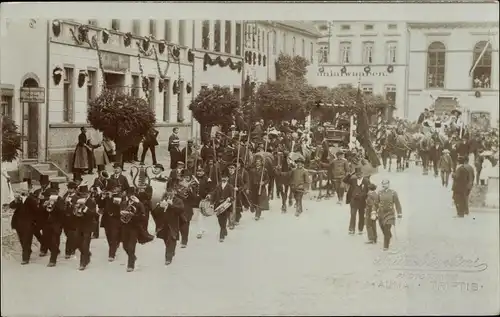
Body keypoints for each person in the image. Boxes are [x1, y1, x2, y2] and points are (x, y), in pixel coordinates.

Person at [9, 183, 38, 264]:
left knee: (26, 241)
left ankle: (25, 258)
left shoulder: (31, 199)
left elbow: (36, 211)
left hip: (28, 224)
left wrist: (34, 222)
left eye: (23, 191)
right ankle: (28, 251)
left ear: (27, 191)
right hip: (18, 224)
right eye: (21, 191)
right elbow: (11, 206)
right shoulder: (19, 200)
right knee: (22, 240)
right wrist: (16, 200)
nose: (22, 193)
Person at [154, 187, 183, 265]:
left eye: (171, 191)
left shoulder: (178, 201)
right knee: (166, 240)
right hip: (163, 225)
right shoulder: (163, 199)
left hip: (173, 225)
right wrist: (160, 206)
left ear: (175, 192)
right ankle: (171, 251)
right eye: (168, 191)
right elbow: (155, 213)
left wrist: (171, 205)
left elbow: (180, 210)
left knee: (171, 239)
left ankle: (168, 258)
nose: (169, 193)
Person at [120, 188, 145, 272]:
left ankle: (130, 265)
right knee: (125, 246)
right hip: (125, 227)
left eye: (132, 195)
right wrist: (122, 213)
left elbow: (143, 215)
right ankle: (133, 257)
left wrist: (139, 203)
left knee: (131, 247)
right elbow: (120, 212)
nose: (130, 197)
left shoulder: (138, 204)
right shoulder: (123, 203)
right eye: (129, 195)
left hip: (134, 227)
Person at [74, 182, 97, 270]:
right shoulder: (78, 200)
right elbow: (75, 212)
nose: (82, 196)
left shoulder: (91, 201)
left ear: (87, 194)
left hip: (88, 225)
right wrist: (75, 209)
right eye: (81, 194)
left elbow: (93, 214)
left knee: (85, 244)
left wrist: (85, 208)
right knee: (77, 243)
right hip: (79, 224)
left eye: (84, 194)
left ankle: (83, 263)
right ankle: (87, 254)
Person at [207, 171, 234, 242]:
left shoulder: (230, 186)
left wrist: (229, 198)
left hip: (226, 206)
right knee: (220, 220)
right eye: (222, 177)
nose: (224, 178)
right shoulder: (218, 185)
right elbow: (214, 194)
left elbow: (233, 196)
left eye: (225, 177)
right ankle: (224, 229)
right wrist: (211, 203)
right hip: (218, 205)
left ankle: (221, 236)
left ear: (228, 178)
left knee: (224, 220)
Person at [376, 179, 402, 251]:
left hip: (390, 213)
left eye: (386, 184)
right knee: (383, 228)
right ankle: (389, 236)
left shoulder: (393, 193)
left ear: (388, 184)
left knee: (387, 229)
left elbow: (397, 204)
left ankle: (385, 246)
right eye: (383, 184)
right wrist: (374, 211)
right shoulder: (379, 193)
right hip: (381, 214)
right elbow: (376, 203)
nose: (384, 185)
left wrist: (399, 213)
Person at [343, 167, 371, 235]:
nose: (359, 176)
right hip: (353, 200)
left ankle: (360, 229)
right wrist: (350, 174)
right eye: (357, 174)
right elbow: (345, 180)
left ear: (362, 174)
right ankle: (351, 229)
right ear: (355, 174)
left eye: (360, 174)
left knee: (361, 216)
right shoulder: (353, 180)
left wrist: (367, 198)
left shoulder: (366, 181)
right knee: (353, 215)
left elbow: (369, 190)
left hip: (362, 201)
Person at [100, 183, 122, 262]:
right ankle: (114, 246)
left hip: (115, 219)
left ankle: (111, 254)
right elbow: (100, 205)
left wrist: (110, 198)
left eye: (112, 189)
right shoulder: (106, 197)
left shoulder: (119, 196)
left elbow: (118, 206)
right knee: (108, 235)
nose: (111, 191)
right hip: (106, 219)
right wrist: (102, 197)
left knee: (113, 236)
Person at [248, 157, 269, 221]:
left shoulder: (264, 170)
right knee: (254, 200)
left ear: (261, 162)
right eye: (256, 161)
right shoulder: (252, 170)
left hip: (261, 188)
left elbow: (267, 179)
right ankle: (253, 208)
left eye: (259, 161)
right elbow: (250, 180)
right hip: (254, 187)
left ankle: (257, 214)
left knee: (259, 201)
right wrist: (249, 188)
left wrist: (263, 182)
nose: (257, 162)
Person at [62, 181, 79, 258]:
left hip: (73, 218)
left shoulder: (77, 197)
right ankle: (73, 247)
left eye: (71, 189)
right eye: (68, 188)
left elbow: (77, 207)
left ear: (75, 189)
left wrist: (71, 204)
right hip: (65, 218)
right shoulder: (65, 195)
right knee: (67, 233)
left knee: (70, 235)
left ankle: (68, 252)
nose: (69, 190)